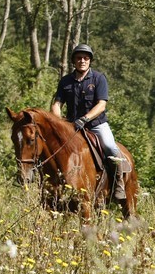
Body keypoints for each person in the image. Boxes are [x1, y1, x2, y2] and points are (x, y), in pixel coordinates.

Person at [51, 43, 128, 201]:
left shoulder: (99, 78)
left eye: (85, 58)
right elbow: (57, 104)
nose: (82, 61)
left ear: (90, 61)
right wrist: (58, 122)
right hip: (72, 126)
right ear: (74, 61)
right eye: (79, 58)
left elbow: (101, 105)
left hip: (96, 124)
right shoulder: (65, 81)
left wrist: (85, 119)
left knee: (110, 146)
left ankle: (119, 182)